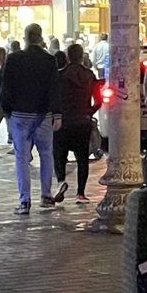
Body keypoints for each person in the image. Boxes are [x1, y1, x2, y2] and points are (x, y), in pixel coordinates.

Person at [0, 24, 62, 214]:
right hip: (43, 114)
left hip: (20, 114)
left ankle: (24, 201)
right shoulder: (49, 60)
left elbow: (5, 87)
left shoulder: (14, 59)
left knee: (22, 158)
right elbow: (54, 88)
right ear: (40, 38)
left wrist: (7, 110)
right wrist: (57, 113)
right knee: (46, 154)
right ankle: (46, 195)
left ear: (25, 38)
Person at [53, 44, 102, 204]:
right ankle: (80, 193)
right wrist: (90, 111)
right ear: (82, 56)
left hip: (64, 120)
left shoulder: (60, 75)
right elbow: (98, 100)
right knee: (82, 157)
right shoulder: (89, 75)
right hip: (83, 121)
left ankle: (61, 181)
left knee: (59, 153)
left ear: (68, 57)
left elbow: (54, 98)